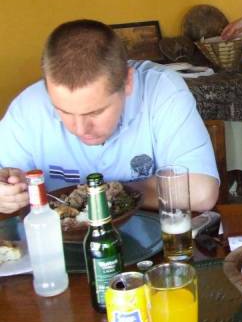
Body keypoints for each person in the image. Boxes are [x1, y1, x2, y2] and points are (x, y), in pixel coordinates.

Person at [0, 19, 219, 214]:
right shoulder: (29, 105)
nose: (79, 129)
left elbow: (201, 192)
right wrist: (7, 191)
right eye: (64, 111)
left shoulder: (161, 89)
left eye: (95, 112)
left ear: (128, 82)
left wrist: (101, 195)